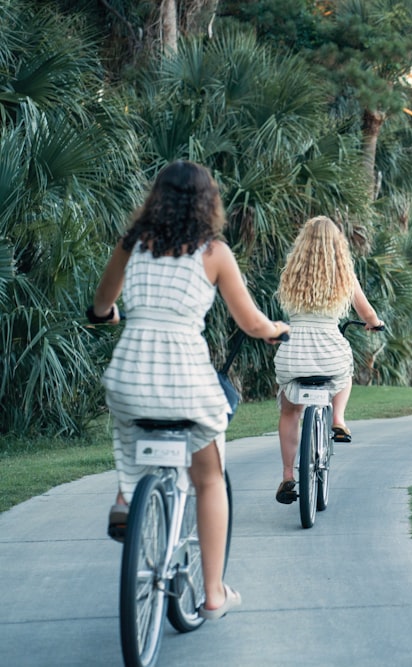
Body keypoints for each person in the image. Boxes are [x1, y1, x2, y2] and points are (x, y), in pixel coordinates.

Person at [89, 160, 290, 619]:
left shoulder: (133, 244)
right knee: (209, 476)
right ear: (208, 203)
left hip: (130, 374)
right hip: (185, 376)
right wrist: (275, 328)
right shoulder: (214, 252)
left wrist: (111, 316)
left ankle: (126, 497)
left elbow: (101, 305)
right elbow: (250, 321)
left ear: (155, 197)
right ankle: (214, 591)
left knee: (131, 423)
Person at [272, 214, 383, 504]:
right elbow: (367, 314)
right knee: (345, 372)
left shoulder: (291, 273)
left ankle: (287, 475)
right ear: (337, 245)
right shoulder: (344, 274)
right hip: (329, 350)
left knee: (289, 409)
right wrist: (374, 323)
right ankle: (338, 418)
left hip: (293, 350)